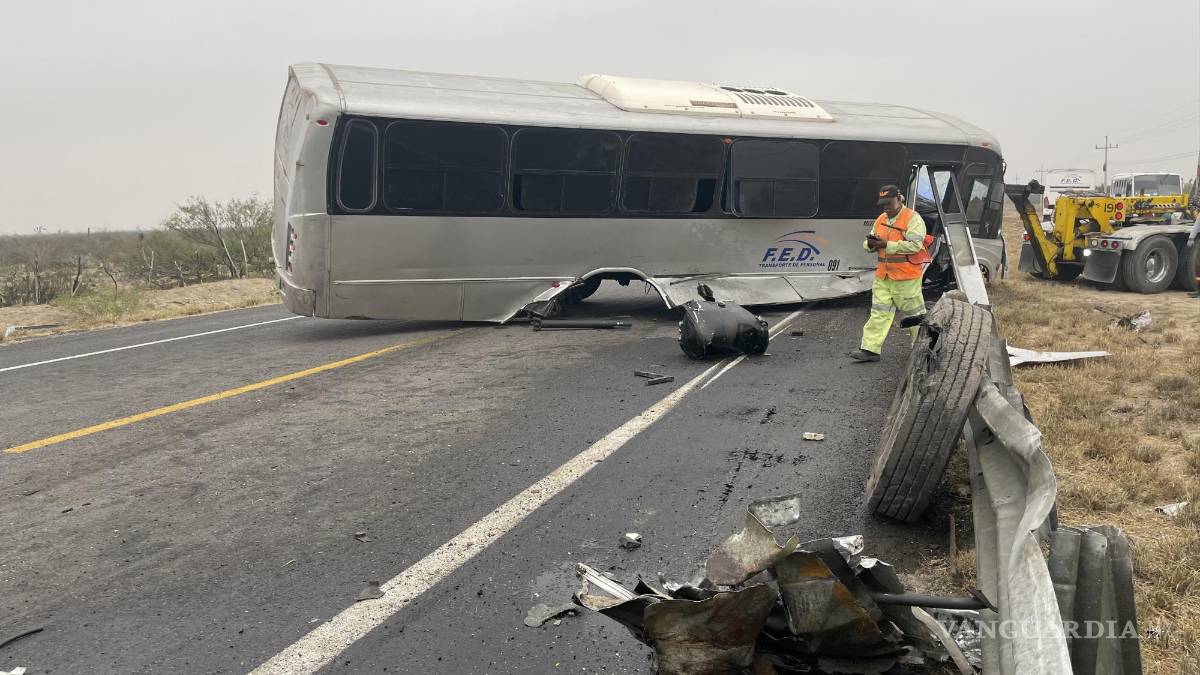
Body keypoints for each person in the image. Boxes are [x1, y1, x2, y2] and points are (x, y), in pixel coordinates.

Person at [848, 185, 931, 362]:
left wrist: (887, 245)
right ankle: (870, 349)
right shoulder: (881, 219)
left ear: (899, 199)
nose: (886, 207)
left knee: (915, 316)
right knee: (879, 312)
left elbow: (916, 245)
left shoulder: (913, 218)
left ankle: (922, 350)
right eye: (883, 204)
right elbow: (868, 243)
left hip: (906, 277)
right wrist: (870, 244)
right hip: (883, 277)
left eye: (889, 203)